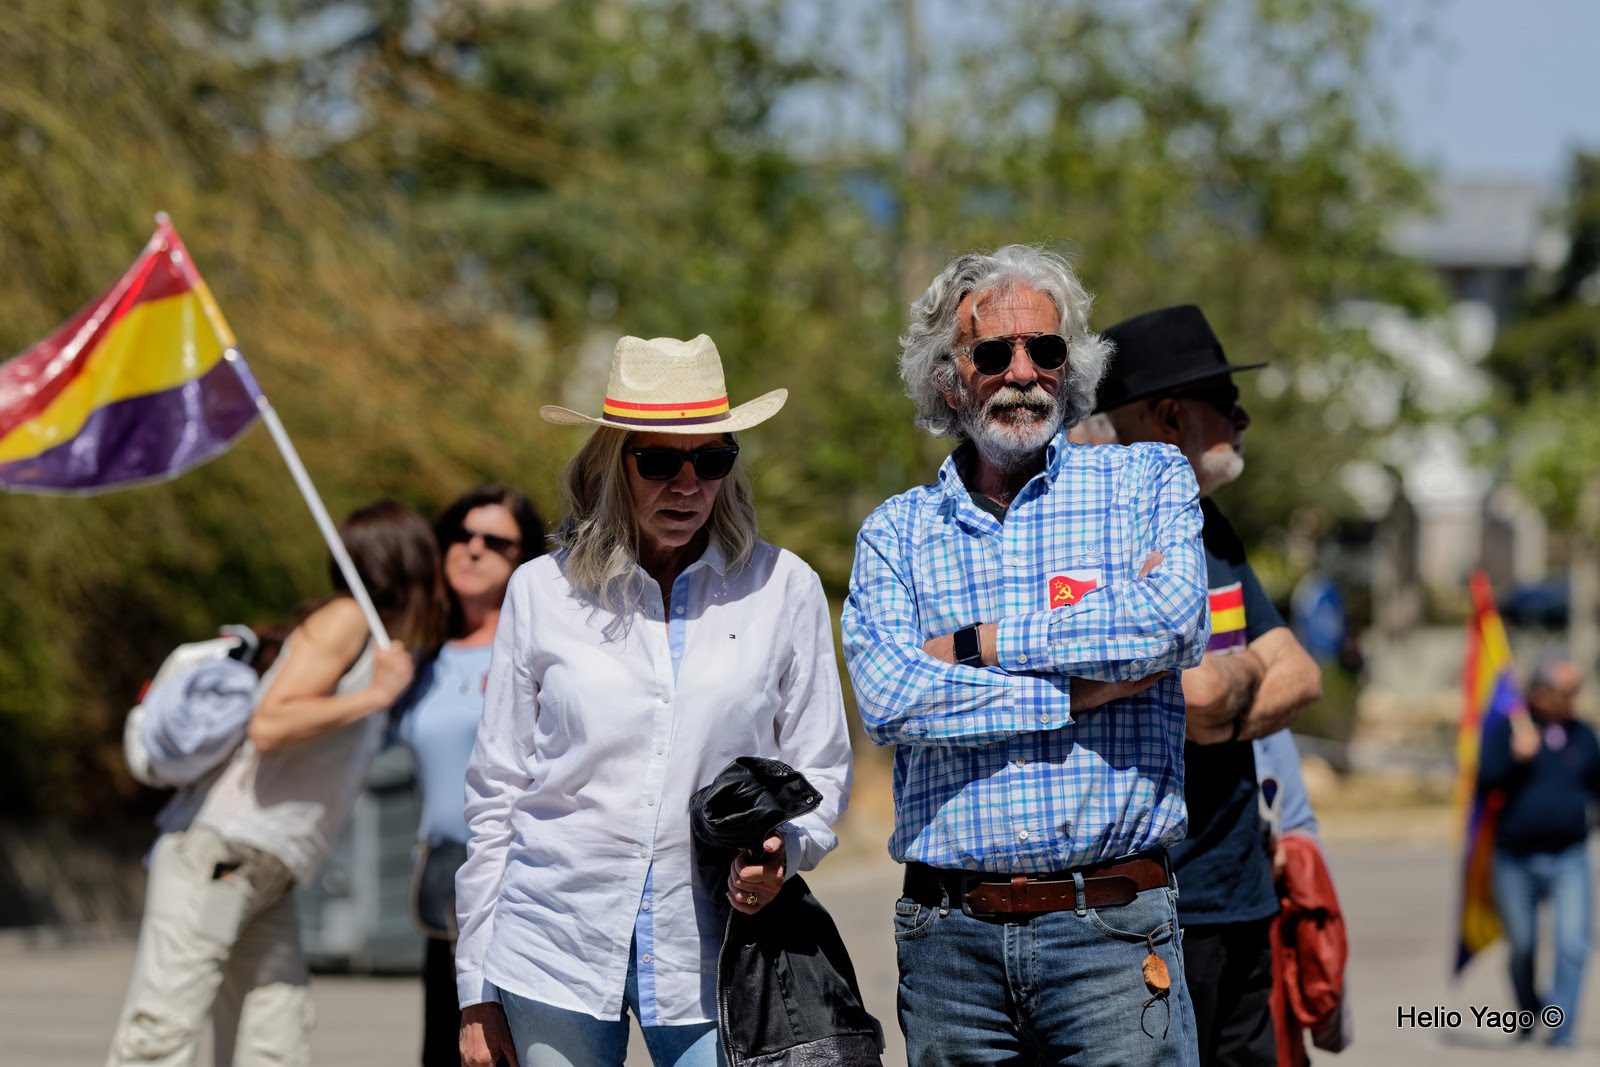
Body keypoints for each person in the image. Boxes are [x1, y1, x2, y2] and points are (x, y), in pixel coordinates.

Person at [841, 245, 1211, 1065]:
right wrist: (1076, 693)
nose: (1024, 371)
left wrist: (983, 644)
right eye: (993, 352)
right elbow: (892, 699)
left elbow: (1172, 624)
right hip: (950, 947)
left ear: (1070, 367)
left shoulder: (1145, 481)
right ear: (947, 378)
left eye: (1046, 350)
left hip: (1114, 932)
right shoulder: (896, 532)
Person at [455, 334, 855, 1067]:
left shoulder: (783, 587)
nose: (688, 485)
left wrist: (784, 855)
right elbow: (497, 793)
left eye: (712, 460)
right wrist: (474, 986)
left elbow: (823, 768)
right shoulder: (541, 592)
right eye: (660, 460)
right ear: (611, 461)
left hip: (715, 956)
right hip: (551, 948)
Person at [107, 499, 445, 1067]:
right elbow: (270, 724)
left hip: (268, 871)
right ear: (407, 562)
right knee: (162, 1029)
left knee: (275, 1036)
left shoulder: (378, 643)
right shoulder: (347, 619)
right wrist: (374, 698)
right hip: (225, 853)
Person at [1094, 304, 1323, 1066]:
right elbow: (1189, 700)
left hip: (1243, 894)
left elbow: (1301, 674)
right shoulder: (1105, 532)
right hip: (1157, 913)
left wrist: (1230, 694)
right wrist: (1243, 676)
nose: (1244, 417)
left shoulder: (1209, 524)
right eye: (1227, 403)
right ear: (1169, 416)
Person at [393, 484, 546, 1067]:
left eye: (496, 542)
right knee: (446, 1051)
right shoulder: (419, 661)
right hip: (444, 884)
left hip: (523, 882)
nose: (473, 549)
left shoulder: (538, 652)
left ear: (522, 559)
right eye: (461, 535)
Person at [1477, 650, 1600, 1048]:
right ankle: (1530, 1008)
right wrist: (1515, 757)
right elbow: (1482, 784)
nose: (1572, 699)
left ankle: (1561, 1028)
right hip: (1514, 858)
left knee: (1573, 943)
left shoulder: (1583, 735)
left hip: (1569, 856)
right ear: (1540, 692)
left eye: (1575, 691)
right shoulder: (1509, 730)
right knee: (1523, 946)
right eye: (1565, 691)